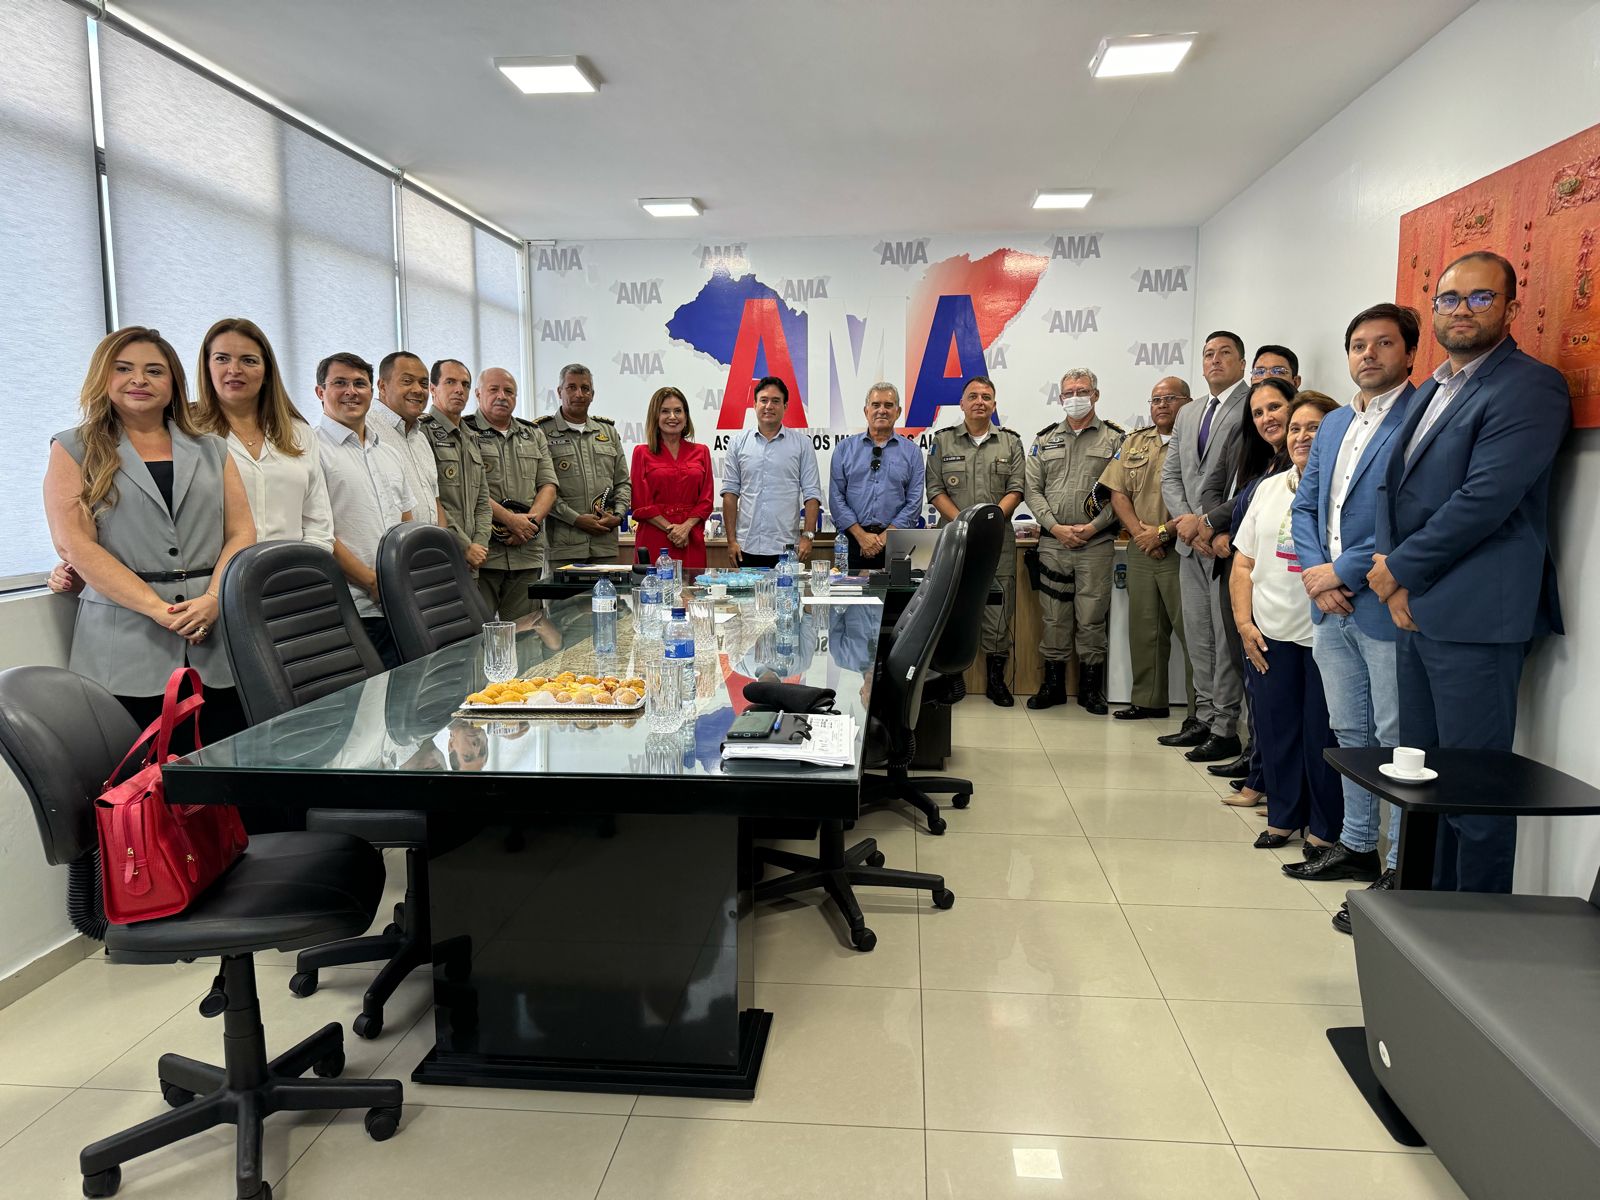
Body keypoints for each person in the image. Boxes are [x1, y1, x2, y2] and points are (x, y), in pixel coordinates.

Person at [1368, 251, 1571, 894]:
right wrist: (1393, 576)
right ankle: (1423, 918)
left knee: (1475, 794)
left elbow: (1484, 500)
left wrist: (1399, 571)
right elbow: (1393, 489)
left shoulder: (1530, 386)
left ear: (1511, 308)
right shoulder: (1434, 387)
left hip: (1477, 616)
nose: (1463, 310)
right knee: (1421, 784)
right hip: (1416, 608)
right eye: (1450, 299)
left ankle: (1478, 929)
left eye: (1481, 298)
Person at [42, 326, 255, 745]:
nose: (139, 380)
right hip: (123, 645)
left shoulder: (212, 448)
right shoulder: (73, 448)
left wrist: (214, 599)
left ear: (174, 381)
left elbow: (241, 530)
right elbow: (73, 544)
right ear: (103, 376)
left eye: (154, 371)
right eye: (124, 369)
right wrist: (158, 609)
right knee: (140, 776)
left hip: (215, 636)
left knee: (229, 762)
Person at [1284, 304, 1420, 909]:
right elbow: (1306, 505)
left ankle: (1397, 865)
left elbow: (1410, 514)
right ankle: (1358, 842)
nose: (1368, 354)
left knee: (1394, 737)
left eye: (1383, 343)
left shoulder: (1421, 415)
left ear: (1410, 353)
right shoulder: (1336, 422)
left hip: (1381, 601)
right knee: (1349, 730)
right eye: (1359, 345)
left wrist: (1338, 572)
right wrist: (1318, 578)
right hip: (1330, 607)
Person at [1229, 392, 1342, 852]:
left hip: (1324, 634)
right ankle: (1282, 817)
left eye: (1314, 428)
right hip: (1268, 632)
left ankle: (1324, 829)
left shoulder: (1342, 488)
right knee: (1276, 730)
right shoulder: (1269, 488)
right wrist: (1244, 623)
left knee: (1322, 734)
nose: (1301, 436)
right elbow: (1243, 562)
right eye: (1295, 428)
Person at [1205, 343, 1305, 782]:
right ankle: (1259, 765)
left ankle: (1266, 774)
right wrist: (1218, 530)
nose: (1267, 418)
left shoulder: (1299, 462)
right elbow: (1227, 496)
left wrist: (1210, 522)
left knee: (1273, 687)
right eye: (1259, 412)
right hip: (1240, 571)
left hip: (1283, 591)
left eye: (1275, 407)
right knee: (1251, 675)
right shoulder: (1260, 455)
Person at [1158, 332, 1252, 757]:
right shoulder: (1189, 411)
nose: (1215, 360)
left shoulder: (1251, 404)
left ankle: (1226, 726)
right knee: (1198, 636)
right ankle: (1203, 717)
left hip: (1224, 542)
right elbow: (1171, 475)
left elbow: (1246, 479)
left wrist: (1208, 526)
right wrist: (1187, 524)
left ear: (1242, 362)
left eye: (1225, 353)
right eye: (1209, 354)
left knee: (1224, 637)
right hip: (1190, 541)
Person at [1023, 368, 1125, 712]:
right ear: (1060, 398)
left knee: (1092, 617)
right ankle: (1052, 686)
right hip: (1054, 544)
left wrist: (1092, 528)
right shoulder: (1045, 439)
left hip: (1095, 544)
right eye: (1069, 392)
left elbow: (1122, 492)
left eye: (1082, 391)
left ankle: (1090, 690)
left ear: (1095, 395)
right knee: (1053, 617)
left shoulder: (1115, 439)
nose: (1075, 397)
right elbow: (1032, 490)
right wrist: (1055, 527)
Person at [926, 375, 1025, 705]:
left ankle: (996, 680)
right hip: (954, 543)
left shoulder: (1010, 443)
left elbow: (1016, 489)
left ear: (994, 404)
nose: (979, 402)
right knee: (949, 609)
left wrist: (987, 526)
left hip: (997, 544)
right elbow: (935, 489)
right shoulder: (943, 441)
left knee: (998, 611)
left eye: (986, 397)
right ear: (962, 403)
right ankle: (951, 678)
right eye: (973, 396)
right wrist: (965, 526)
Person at [1099, 376, 1193, 721]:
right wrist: (1141, 534)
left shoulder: (1198, 441)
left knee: (1192, 633)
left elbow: (1203, 498)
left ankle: (1201, 714)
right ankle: (1148, 701)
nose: (1162, 405)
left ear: (1188, 402)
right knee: (1144, 629)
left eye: (1170, 398)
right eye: (1156, 400)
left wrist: (1162, 534)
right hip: (1141, 547)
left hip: (1183, 547)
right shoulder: (1135, 441)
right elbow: (1118, 492)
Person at [315, 351, 414, 669]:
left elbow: (406, 524)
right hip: (351, 608)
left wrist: (402, 582)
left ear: (372, 391)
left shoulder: (389, 454)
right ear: (320, 392)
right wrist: (372, 583)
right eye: (339, 383)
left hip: (401, 602)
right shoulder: (311, 452)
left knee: (411, 691)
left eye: (360, 383)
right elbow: (319, 532)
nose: (351, 391)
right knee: (367, 697)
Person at [465, 367, 557, 622]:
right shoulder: (463, 432)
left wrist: (528, 525)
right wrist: (511, 521)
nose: (502, 396)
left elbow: (548, 485)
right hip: (483, 554)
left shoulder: (533, 433)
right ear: (478, 394)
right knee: (479, 634)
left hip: (526, 553)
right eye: (493, 390)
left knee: (527, 634)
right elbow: (469, 489)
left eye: (509, 391)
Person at [534, 363, 630, 568]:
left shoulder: (608, 432)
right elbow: (540, 488)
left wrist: (618, 515)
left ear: (592, 394)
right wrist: (575, 519)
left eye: (585, 388)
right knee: (562, 592)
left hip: (604, 543)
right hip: (563, 545)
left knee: (607, 591)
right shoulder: (541, 432)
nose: (579, 394)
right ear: (559, 391)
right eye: (571, 387)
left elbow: (623, 482)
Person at [721, 375, 823, 569]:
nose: (769, 406)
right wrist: (731, 541)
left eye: (776, 401)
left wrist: (808, 536)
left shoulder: (802, 444)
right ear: (754, 405)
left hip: (786, 548)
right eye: (764, 400)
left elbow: (812, 494)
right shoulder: (737, 443)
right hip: (745, 546)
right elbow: (730, 494)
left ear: (785, 406)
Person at [828, 383, 925, 570]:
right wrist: (861, 536)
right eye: (876, 405)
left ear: (898, 412)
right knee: (849, 590)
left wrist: (884, 538)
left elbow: (914, 503)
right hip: (853, 540)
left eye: (888, 405)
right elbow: (836, 497)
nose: (882, 410)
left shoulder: (912, 453)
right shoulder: (844, 449)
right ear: (866, 411)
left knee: (897, 590)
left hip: (896, 541)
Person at [631, 385, 715, 571]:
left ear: (686, 416)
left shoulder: (702, 451)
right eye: (665, 411)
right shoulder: (641, 453)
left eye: (678, 411)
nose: (672, 416)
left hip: (690, 537)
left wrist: (685, 528)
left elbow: (706, 500)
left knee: (692, 587)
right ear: (655, 416)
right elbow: (640, 503)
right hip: (655, 536)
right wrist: (673, 530)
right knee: (653, 587)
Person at [421, 358, 492, 574]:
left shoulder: (470, 436)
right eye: (450, 382)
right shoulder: (421, 433)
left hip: (474, 559)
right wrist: (464, 546)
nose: (459, 390)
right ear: (433, 388)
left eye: (465, 384)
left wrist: (479, 544)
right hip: (439, 554)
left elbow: (482, 500)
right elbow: (430, 500)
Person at [372, 350, 445, 529]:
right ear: (382, 386)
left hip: (431, 543)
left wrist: (444, 539)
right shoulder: (366, 431)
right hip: (390, 544)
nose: (418, 390)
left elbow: (435, 500)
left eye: (423, 383)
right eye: (407, 381)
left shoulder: (421, 438)